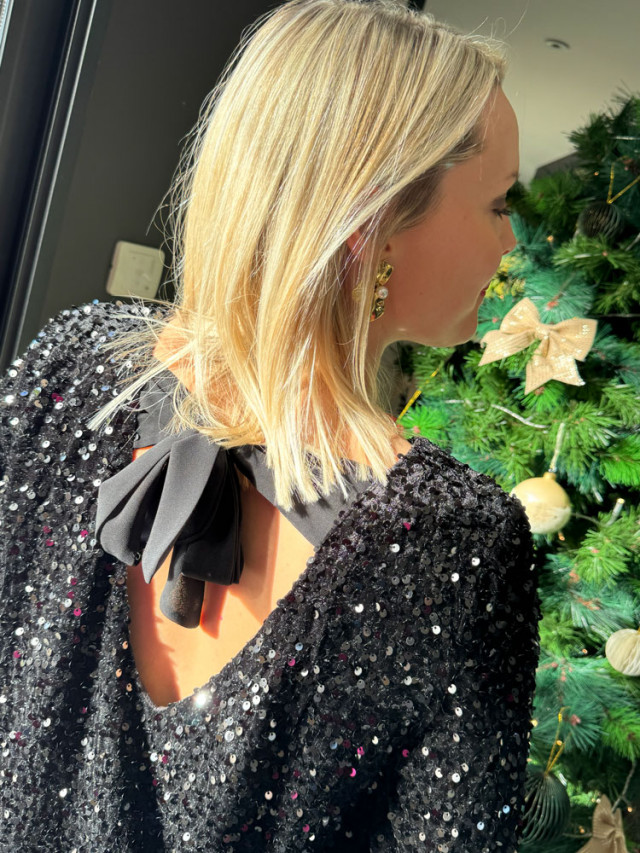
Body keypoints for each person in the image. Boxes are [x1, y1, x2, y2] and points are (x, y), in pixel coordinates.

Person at [0, 1, 541, 850]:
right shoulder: (450, 539)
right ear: (375, 224)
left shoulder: (70, 365)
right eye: (499, 204)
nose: (511, 243)